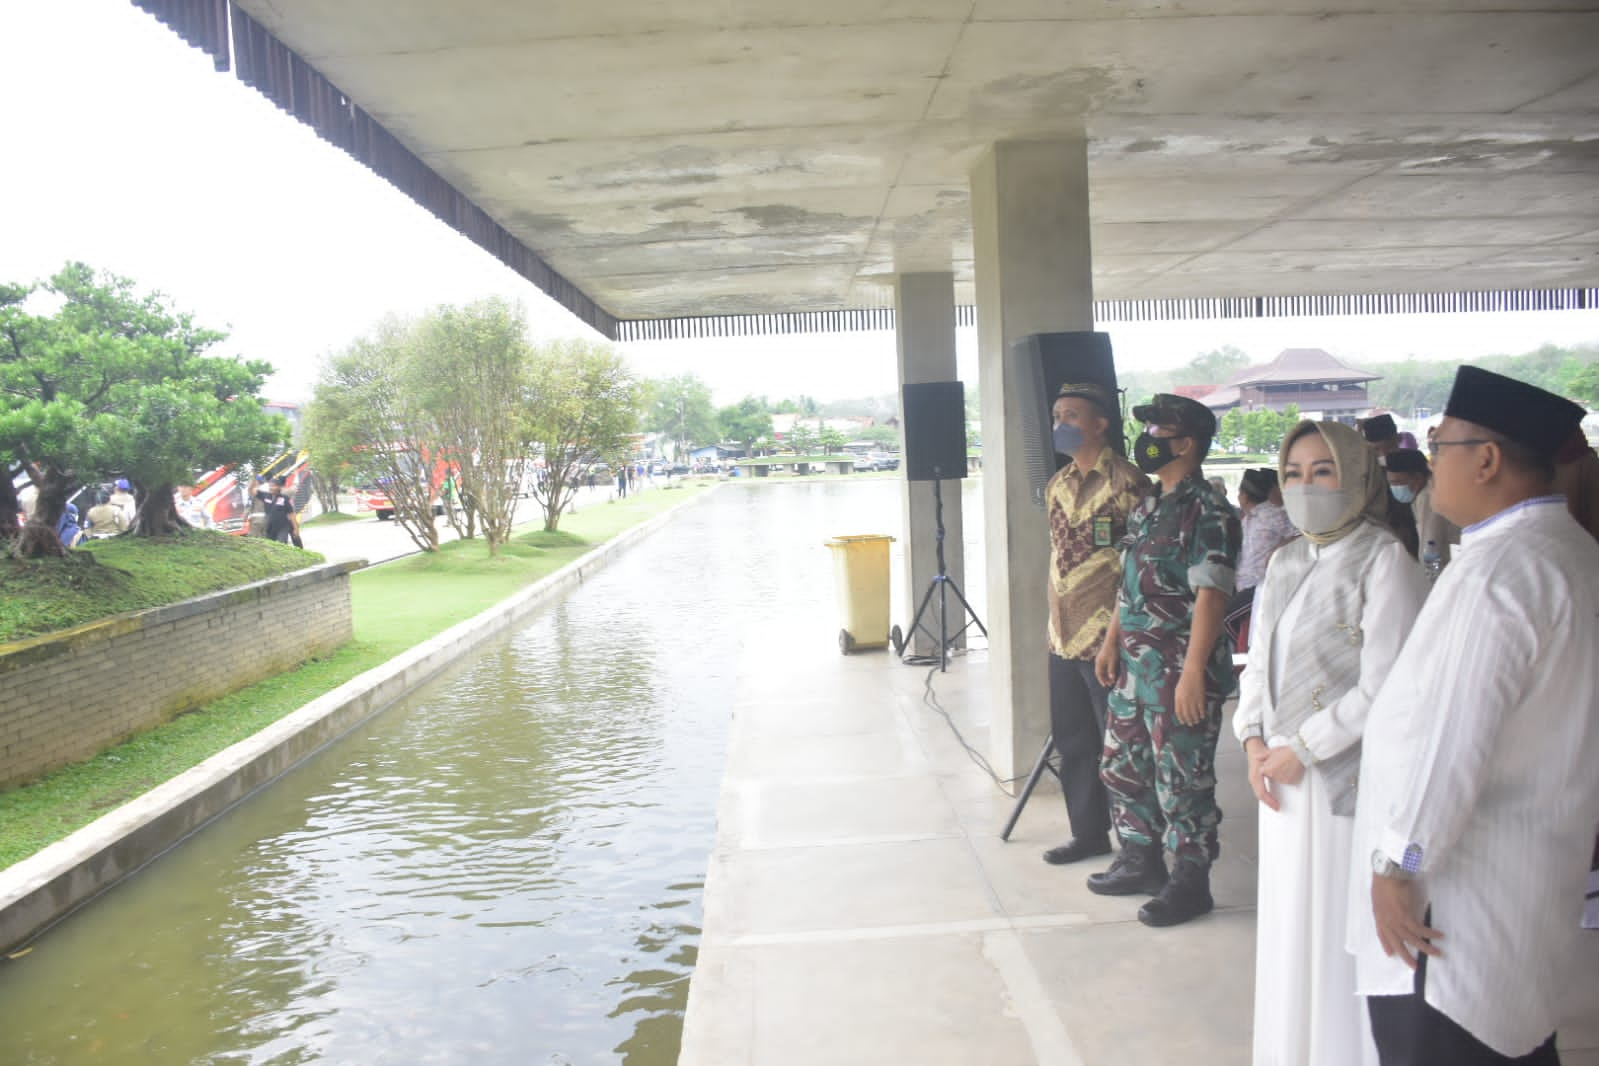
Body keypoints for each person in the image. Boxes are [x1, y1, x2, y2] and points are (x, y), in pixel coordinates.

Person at [1351, 366, 1599, 1065]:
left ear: (1485, 460)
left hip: (1454, 910)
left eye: (1440, 446)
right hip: (1526, 888)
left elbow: (1448, 743)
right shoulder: (1569, 554)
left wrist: (1396, 864)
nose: (1430, 464)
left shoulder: (1498, 576)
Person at [1234, 421, 1426, 1066]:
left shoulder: (1384, 560)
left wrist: (1304, 748)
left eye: (1322, 471)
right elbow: (1259, 659)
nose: (1305, 485)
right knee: (1289, 923)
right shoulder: (1284, 560)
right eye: (1293, 473)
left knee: (1335, 928)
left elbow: (1386, 687)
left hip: (1342, 779)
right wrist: (1254, 739)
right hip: (1279, 773)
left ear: (1355, 475)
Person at [1089, 393, 1240, 927]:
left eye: (1158, 430)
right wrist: (1110, 644)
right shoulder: (1150, 505)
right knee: (1124, 767)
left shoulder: (1211, 511)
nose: (1147, 438)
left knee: (1182, 780)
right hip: (1134, 666)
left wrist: (1195, 671)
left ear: (1187, 443)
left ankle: (1190, 882)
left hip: (1179, 668)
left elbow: (1212, 596)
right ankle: (1140, 860)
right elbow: (1128, 586)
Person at [1041, 382, 1151, 867]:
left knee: (1120, 744)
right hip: (1063, 638)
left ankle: (1137, 847)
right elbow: (1056, 559)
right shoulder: (1057, 484)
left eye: (1071, 416)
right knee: (1074, 741)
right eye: (1057, 416)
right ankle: (1087, 834)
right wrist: (1053, 620)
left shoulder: (1129, 484)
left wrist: (1117, 638)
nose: (1061, 424)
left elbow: (1139, 570)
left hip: (1110, 639)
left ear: (1100, 424)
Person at [1225, 467, 1298, 648]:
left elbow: (1301, 534)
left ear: (1244, 495)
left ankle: (1246, 654)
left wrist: (1279, 549)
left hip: (1260, 586)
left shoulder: (1273, 514)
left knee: (1225, 618)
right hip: (1243, 585)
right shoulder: (1247, 518)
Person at [1383, 448, 1458, 569]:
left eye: (1398, 482)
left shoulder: (1428, 497)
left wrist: (1429, 581)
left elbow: (1430, 545)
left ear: (1417, 478)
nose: (1394, 488)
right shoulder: (1423, 493)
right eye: (1391, 483)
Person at [261, 476, 300, 545]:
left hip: (280, 520)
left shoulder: (271, 493)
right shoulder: (288, 491)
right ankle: (299, 549)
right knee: (294, 536)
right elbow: (295, 487)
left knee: (280, 538)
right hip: (288, 519)